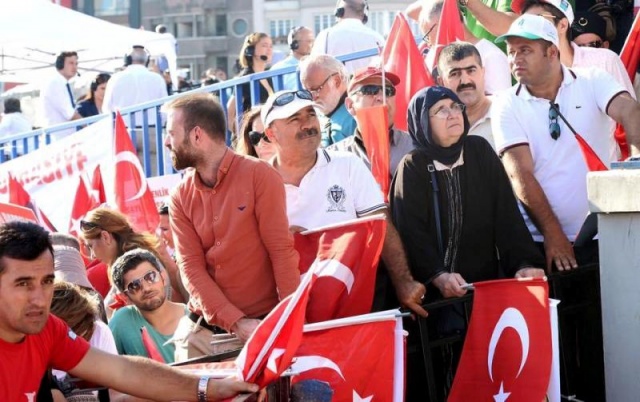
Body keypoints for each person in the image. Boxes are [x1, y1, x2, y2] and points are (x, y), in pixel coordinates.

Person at [391, 86, 545, 400]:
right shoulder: (413, 165)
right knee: (445, 383)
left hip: (482, 297)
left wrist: (525, 263)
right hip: (435, 306)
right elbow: (411, 233)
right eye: (441, 110)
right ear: (423, 121)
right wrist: (437, 275)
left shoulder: (479, 151)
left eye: (455, 106)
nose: (452, 114)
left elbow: (506, 216)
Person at [0, 220, 258, 401]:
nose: (39, 299)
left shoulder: (48, 329)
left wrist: (208, 388)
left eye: (47, 282)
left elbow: (122, 371)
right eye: (23, 284)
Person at [492, 14, 640, 270]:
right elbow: (520, 174)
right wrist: (553, 234)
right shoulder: (505, 103)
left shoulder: (593, 79)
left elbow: (630, 111)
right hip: (543, 241)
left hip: (604, 234)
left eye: (525, 50)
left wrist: (637, 164)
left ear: (552, 52)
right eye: (511, 51)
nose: (515, 58)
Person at [262, 89, 427, 317]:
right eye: (294, 119)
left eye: (310, 115)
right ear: (271, 134)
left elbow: (380, 225)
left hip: (358, 301)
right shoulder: (258, 182)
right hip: (293, 309)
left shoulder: (347, 165)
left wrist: (404, 282)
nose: (307, 124)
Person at [162, 93, 299, 360]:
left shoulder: (260, 176)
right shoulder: (179, 196)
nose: (167, 141)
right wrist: (236, 323)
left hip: (260, 331)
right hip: (202, 334)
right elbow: (190, 269)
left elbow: (281, 251)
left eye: (171, 133)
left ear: (197, 135)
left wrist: (289, 323)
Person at [79, 207, 184, 316]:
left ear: (105, 237)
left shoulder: (134, 264)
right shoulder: (139, 255)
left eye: (91, 246)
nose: (92, 255)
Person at [332, 66, 415, 178]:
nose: (382, 97)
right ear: (350, 105)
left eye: (388, 91)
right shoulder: (335, 158)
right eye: (370, 90)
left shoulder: (416, 147)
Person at [416, 0, 511, 95]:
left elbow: (501, 103)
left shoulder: (491, 55)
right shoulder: (435, 58)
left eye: (427, 35)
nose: (428, 43)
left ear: (443, 22)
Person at [109, 249, 188, 363]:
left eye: (150, 277)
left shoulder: (192, 317)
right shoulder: (122, 322)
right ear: (125, 297)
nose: (146, 288)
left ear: (163, 277)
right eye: (134, 286)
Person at [49, 281, 119, 401]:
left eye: (79, 335)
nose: (74, 343)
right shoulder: (31, 344)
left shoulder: (98, 331)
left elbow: (117, 386)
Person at [437, 42, 496, 150]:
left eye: (471, 71)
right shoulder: (437, 127)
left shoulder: (508, 111)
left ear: (483, 73)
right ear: (441, 82)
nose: (464, 81)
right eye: (454, 74)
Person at [311, 0, 384, 73]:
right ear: (364, 14)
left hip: (336, 83)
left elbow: (313, 69)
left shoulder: (325, 36)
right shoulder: (377, 38)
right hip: (370, 83)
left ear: (339, 12)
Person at [299, 54, 356, 147]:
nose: (312, 98)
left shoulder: (357, 115)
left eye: (316, 89)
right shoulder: (317, 116)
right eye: (308, 92)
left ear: (336, 81)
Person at [226, 33, 275, 133]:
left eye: (270, 46)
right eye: (264, 45)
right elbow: (229, 115)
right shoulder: (245, 78)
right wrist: (243, 137)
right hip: (253, 136)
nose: (269, 49)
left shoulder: (269, 77)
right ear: (250, 50)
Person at [39, 51, 81, 139]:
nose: (74, 67)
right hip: (58, 140)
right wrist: (88, 126)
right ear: (60, 64)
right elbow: (70, 114)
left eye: (76, 63)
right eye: (70, 63)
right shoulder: (55, 83)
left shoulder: (61, 83)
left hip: (62, 139)